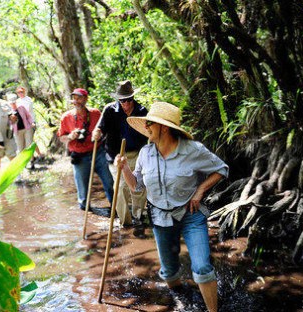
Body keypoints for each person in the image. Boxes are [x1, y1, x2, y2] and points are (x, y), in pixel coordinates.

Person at [115, 102, 228, 312]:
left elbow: (221, 169)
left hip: (191, 215)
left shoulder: (193, 150)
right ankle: (183, 300)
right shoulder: (145, 153)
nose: (146, 127)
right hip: (160, 217)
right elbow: (136, 187)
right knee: (169, 272)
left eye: (150, 123)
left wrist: (201, 190)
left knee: (202, 267)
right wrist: (123, 169)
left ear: (164, 127)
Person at [92, 80, 148, 237]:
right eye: (122, 100)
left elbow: (151, 132)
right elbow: (99, 128)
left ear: (133, 98)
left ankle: (138, 217)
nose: (126, 104)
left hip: (138, 154)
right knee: (120, 188)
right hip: (117, 155)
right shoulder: (109, 110)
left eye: (129, 99)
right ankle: (125, 222)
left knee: (138, 186)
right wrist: (96, 133)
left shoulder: (142, 111)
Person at [57, 88, 114, 214]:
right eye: (74, 98)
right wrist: (70, 136)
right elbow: (61, 137)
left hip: (98, 152)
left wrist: (100, 134)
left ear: (86, 99)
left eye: (79, 98)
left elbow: (105, 130)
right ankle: (86, 212)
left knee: (109, 181)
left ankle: (115, 207)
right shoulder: (66, 117)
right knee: (83, 192)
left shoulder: (95, 113)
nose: (76, 101)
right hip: (79, 156)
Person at [16, 86, 44, 166]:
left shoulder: (28, 100)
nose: (20, 93)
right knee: (28, 141)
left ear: (24, 92)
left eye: (22, 92)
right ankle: (37, 155)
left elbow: (26, 111)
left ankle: (34, 158)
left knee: (29, 141)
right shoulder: (17, 101)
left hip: (30, 122)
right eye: (18, 92)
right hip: (22, 124)